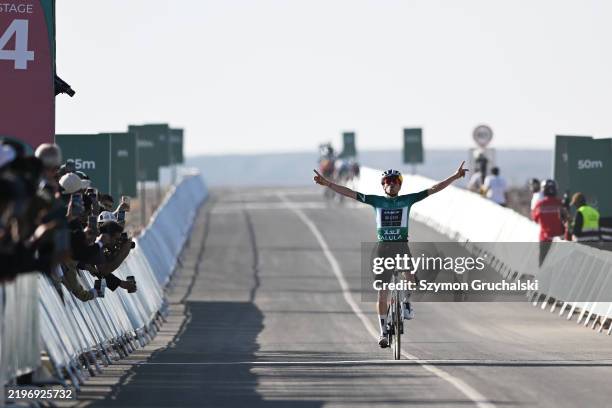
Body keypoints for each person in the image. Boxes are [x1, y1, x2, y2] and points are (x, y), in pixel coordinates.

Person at [313, 162, 468, 348]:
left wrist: (455, 176)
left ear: (400, 185)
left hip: (401, 246)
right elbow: (350, 193)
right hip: (383, 249)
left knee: (410, 278)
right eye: (387, 181)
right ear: (383, 185)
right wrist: (328, 183)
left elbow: (434, 189)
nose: (391, 184)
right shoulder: (376, 201)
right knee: (382, 294)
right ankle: (383, 332)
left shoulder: (408, 200)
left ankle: (407, 302)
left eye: (395, 181)